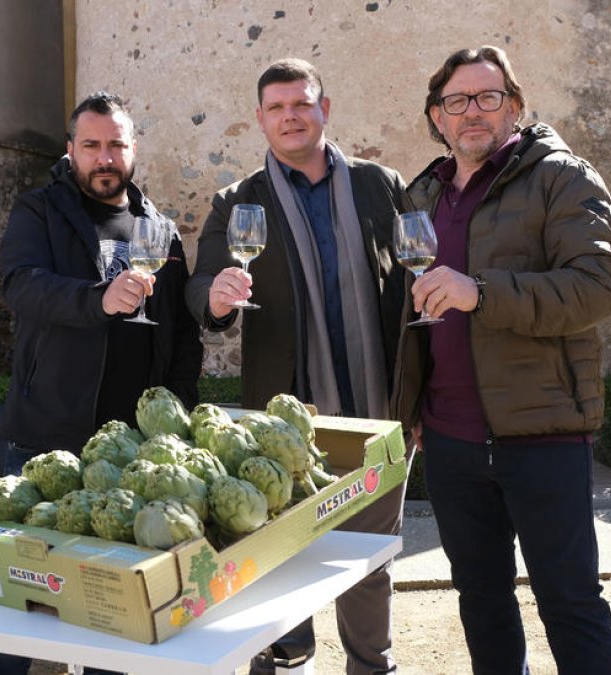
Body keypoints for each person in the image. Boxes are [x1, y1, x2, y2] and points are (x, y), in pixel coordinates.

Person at [392, 46, 611, 673]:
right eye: (456, 101)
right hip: (449, 442)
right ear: (437, 116)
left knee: (570, 603)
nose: (473, 112)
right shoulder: (421, 195)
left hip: (542, 434)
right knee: (482, 601)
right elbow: (407, 318)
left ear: (514, 107)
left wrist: (482, 291)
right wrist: (410, 411)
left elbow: (598, 286)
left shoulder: (563, 178)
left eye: (488, 97)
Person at [186, 58, 408, 675]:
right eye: (277, 108)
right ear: (260, 120)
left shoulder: (378, 185)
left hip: (375, 408)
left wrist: (416, 397)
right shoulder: (238, 201)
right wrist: (215, 295)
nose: (291, 117)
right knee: (280, 553)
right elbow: (202, 282)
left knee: (366, 556)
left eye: (301, 104)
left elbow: (410, 284)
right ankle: (288, 658)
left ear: (324, 109)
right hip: (284, 418)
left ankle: (371, 664)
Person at [0, 91, 202, 675]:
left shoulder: (157, 227)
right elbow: (22, 286)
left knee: (118, 602)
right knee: (22, 600)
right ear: (71, 149)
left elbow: (182, 334)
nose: (104, 157)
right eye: (92, 145)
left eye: (116, 145)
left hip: (133, 451)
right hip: (47, 436)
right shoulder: (38, 211)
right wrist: (96, 298)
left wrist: (176, 415)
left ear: (133, 150)